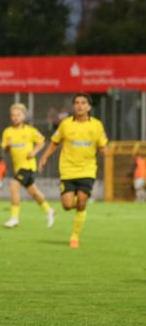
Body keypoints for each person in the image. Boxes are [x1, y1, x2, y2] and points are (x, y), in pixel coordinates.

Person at [38, 93, 109, 249]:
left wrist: (105, 151)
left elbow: (103, 144)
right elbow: (54, 142)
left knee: (82, 201)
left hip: (87, 169)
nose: (79, 105)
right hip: (68, 170)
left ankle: (74, 236)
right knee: (67, 205)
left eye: (83, 103)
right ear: (73, 106)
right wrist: (44, 157)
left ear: (89, 107)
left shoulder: (96, 125)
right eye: (77, 102)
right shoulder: (66, 124)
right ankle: (79, 205)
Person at [0, 103, 55, 229]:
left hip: (28, 166)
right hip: (18, 167)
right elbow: (6, 149)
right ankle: (49, 210)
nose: (15, 117)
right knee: (34, 193)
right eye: (13, 115)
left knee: (14, 186)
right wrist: (7, 146)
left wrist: (34, 152)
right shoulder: (7, 132)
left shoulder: (30, 131)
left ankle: (14, 218)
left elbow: (42, 141)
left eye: (18, 115)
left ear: (24, 116)